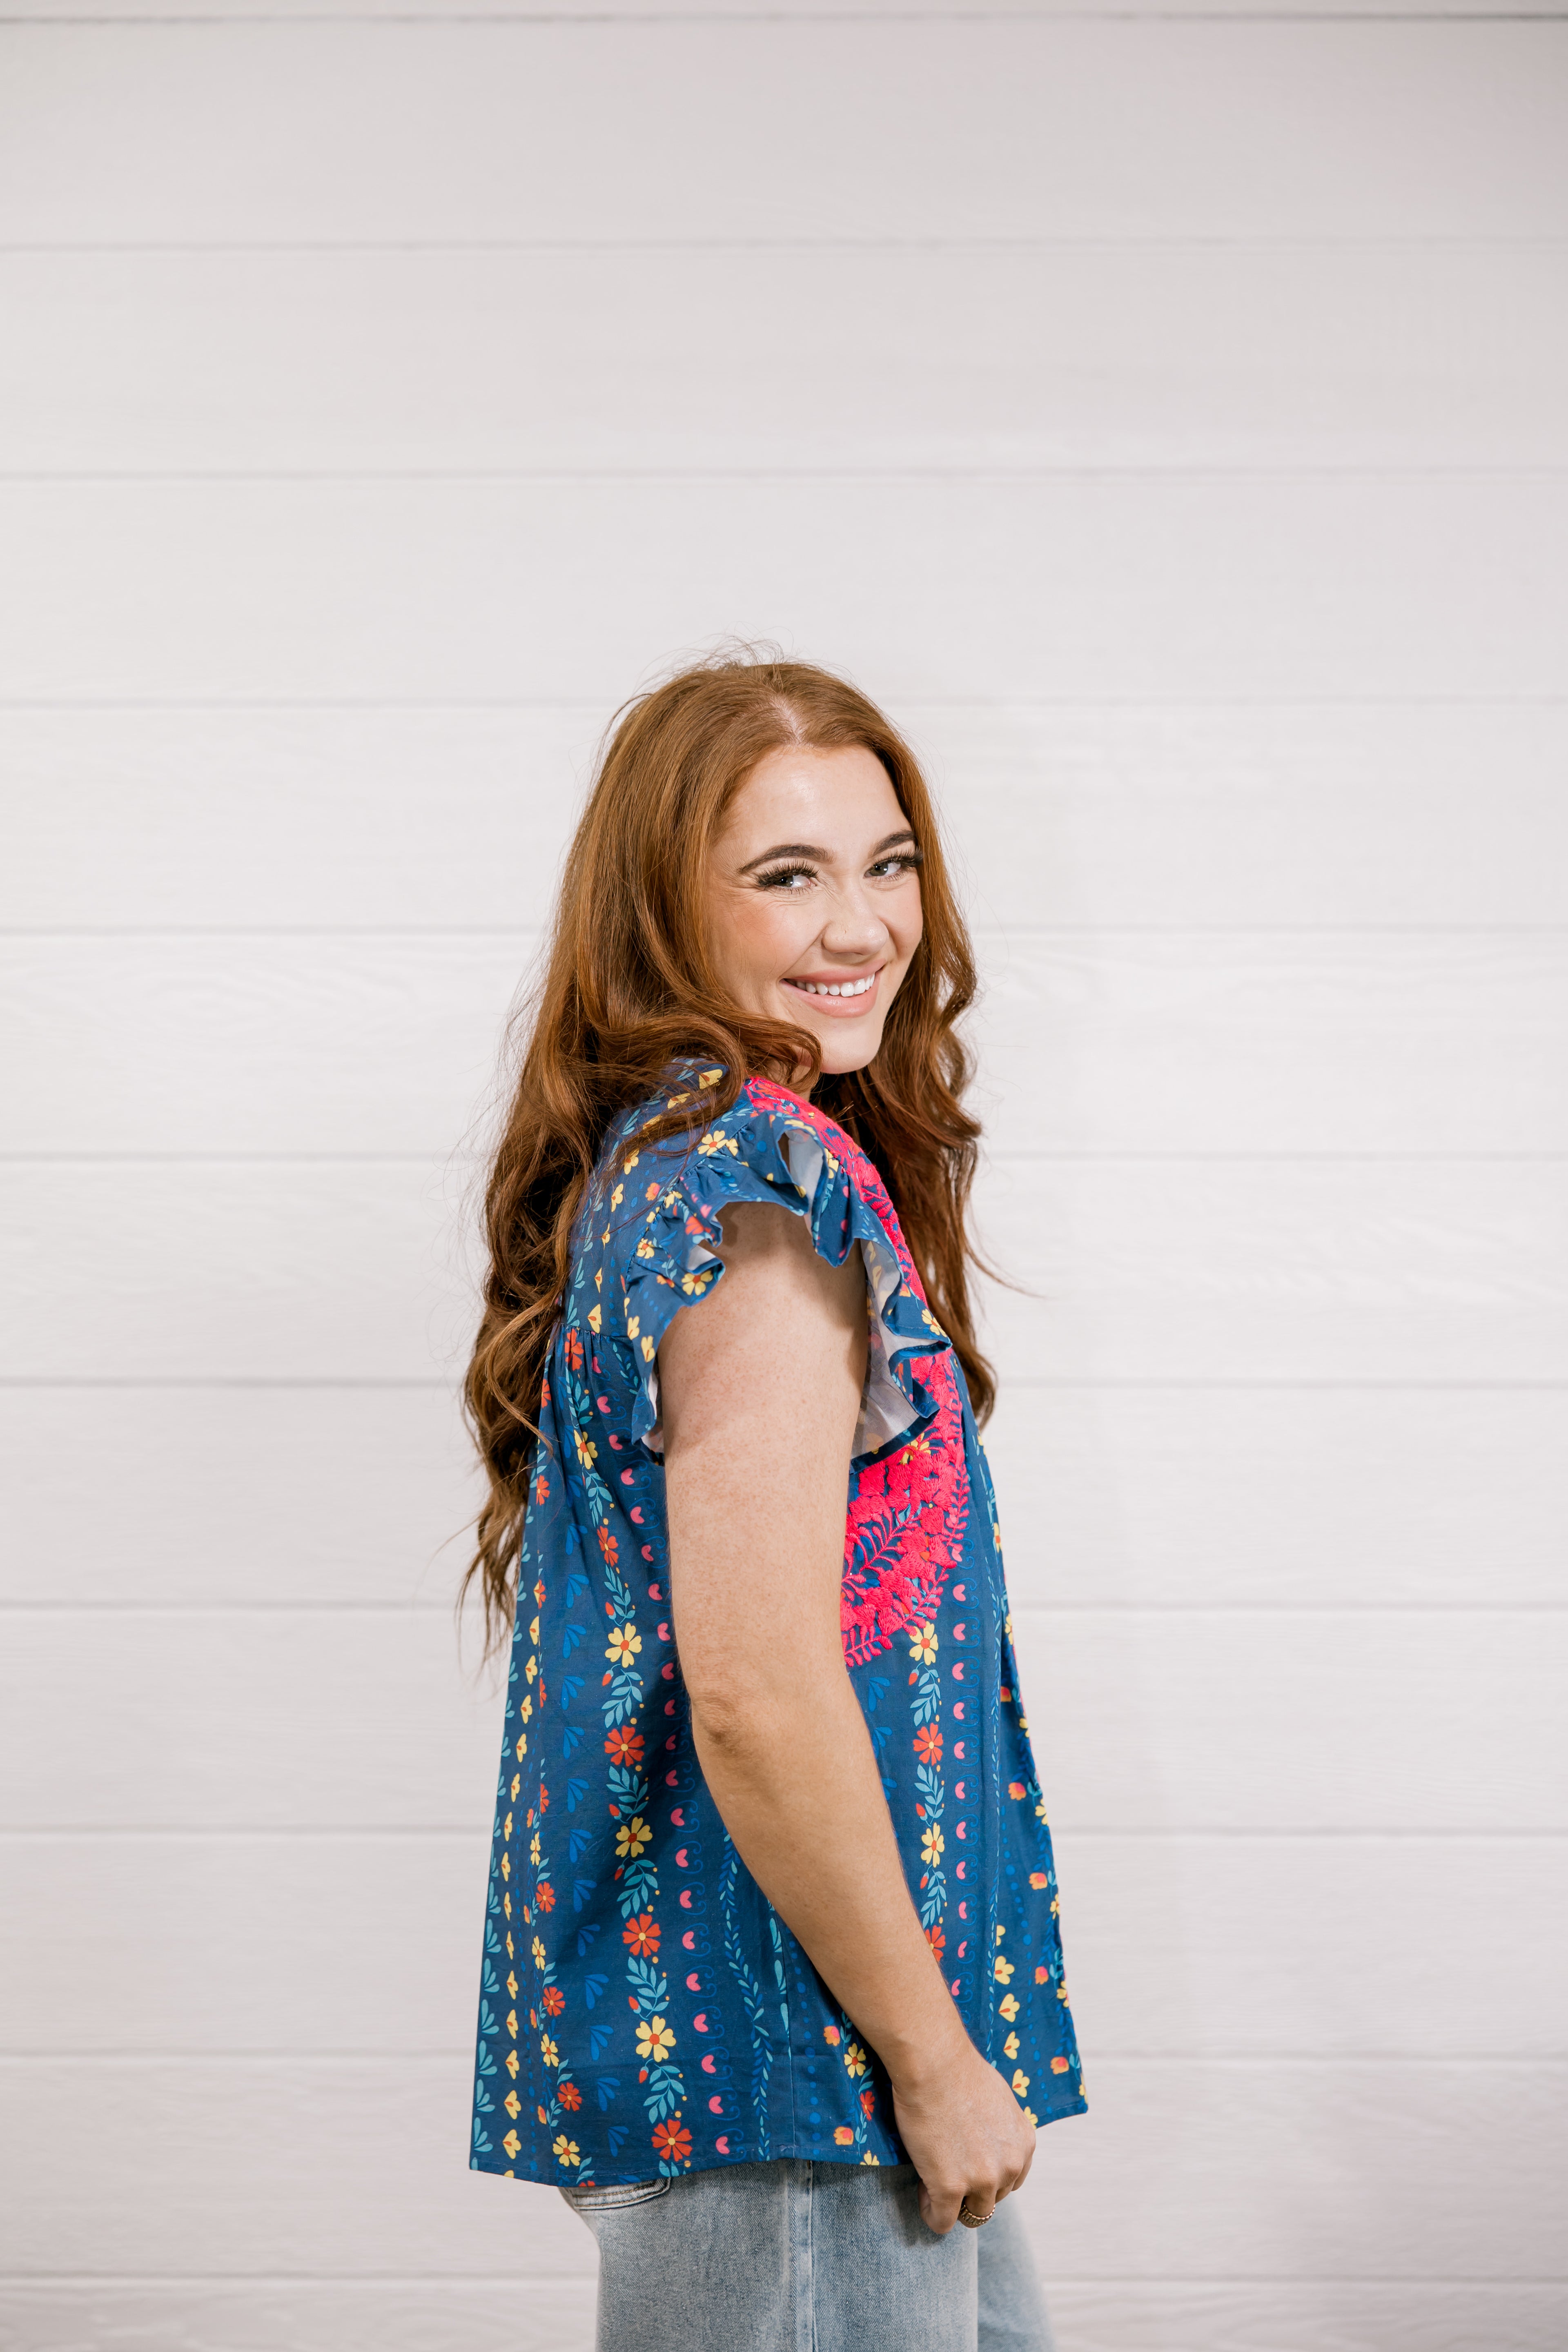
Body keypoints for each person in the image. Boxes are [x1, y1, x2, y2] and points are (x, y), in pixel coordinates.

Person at [463, 655, 1085, 2351]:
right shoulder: (749, 1207)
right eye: (786, 875)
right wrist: (937, 2060)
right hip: (791, 2071)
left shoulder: (704, 1161)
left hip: (819, 2052)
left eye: (887, 864)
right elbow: (751, 1688)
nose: (865, 924)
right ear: (668, 910)